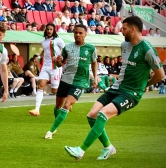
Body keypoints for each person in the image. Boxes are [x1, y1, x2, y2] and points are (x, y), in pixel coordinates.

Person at [64, 16, 165, 160]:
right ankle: (108, 147)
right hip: (117, 88)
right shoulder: (124, 45)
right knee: (91, 115)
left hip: (131, 93)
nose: (121, 31)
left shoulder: (147, 49)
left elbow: (160, 75)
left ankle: (81, 150)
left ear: (133, 29)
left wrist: (144, 86)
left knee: (103, 114)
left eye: (124, 29)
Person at [44, 24, 98, 139]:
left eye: (80, 33)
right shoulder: (67, 47)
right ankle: (56, 124)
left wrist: (95, 77)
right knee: (58, 105)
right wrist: (58, 60)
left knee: (67, 105)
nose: (77, 35)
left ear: (85, 34)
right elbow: (60, 64)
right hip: (65, 80)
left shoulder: (91, 48)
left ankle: (51, 131)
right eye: (75, 32)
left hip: (80, 82)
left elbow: (94, 62)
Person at [29, 23, 65, 116]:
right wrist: (40, 57)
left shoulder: (58, 40)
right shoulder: (43, 41)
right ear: (45, 30)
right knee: (40, 87)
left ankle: (66, 100)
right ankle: (37, 109)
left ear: (54, 31)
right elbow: (45, 50)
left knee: (54, 91)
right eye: (47, 29)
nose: (49, 31)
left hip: (55, 67)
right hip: (45, 66)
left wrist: (59, 57)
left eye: (51, 29)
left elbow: (65, 49)